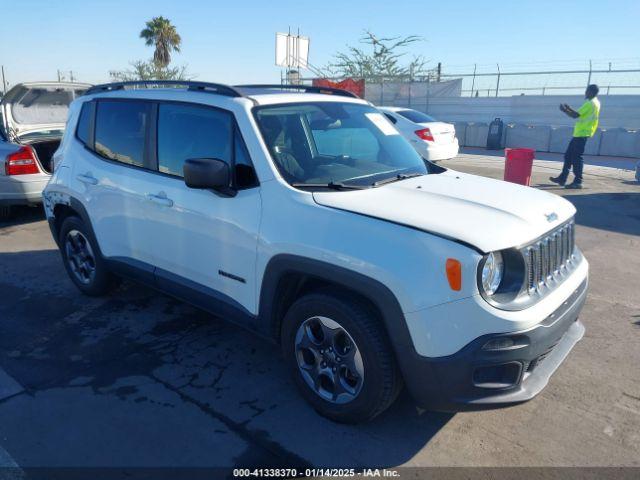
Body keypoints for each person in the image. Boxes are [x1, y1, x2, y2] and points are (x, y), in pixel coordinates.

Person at [550, 84, 601, 189]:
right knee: (568, 156)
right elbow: (579, 114)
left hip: (582, 133)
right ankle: (562, 178)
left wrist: (564, 110)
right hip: (581, 133)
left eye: (587, 91)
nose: (585, 93)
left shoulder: (590, 103)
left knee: (577, 157)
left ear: (591, 92)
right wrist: (569, 108)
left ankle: (578, 181)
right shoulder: (596, 102)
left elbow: (575, 115)